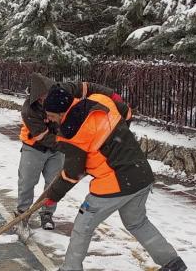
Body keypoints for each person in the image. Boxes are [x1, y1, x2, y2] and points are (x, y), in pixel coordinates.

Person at [38, 85, 187, 271]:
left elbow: (72, 173)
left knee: (83, 225)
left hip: (114, 182)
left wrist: (52, 196)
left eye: (50, 115)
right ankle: (171, 261)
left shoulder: (72, 131)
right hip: (140, 173)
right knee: (137, 222)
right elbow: (126, 112)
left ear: (62, 111)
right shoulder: (101, 101)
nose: (49, 119)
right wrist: (117, 143)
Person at [18, 74, 123, 230]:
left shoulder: (64, 91)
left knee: (53, 182)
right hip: (35, 147)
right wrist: (74, 148)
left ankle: (47, 214)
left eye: (47, 95)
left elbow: (88, 87)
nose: (45, 100)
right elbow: (43, 137)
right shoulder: (29, 110)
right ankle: (22, 214)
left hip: (60, 147)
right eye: (41, 98)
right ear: (36, 98)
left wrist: (112, 94)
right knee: (27, 182)